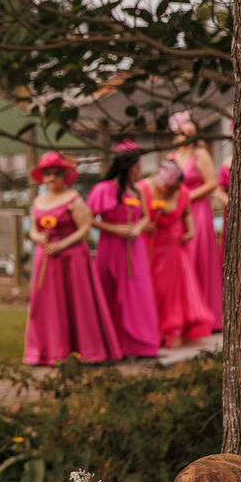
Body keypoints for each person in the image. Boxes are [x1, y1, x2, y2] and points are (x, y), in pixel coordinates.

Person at [23, 151, 122, 366]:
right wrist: (40, 238)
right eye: (48, 174)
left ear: (64, 176)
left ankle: (85, 350)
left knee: (76, 303)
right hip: (46, 257)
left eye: (56, 174)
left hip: (71, 257)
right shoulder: (39, 200)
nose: (52, 179)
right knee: (46, 304)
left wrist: (62, 244)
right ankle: (45, 351)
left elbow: (85, 227)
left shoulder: (73, 199)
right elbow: (32, 229)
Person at [86, 141, 158, 359]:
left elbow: (146, 216)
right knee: (110, 290)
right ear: (127, 166)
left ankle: (137, 343)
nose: (139, 171)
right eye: (137, 167)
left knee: (136, 291)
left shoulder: (136, 191)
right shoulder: (103, 189)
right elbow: (88, 219)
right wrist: (113, 229)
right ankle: (110, 343)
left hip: (133, 248)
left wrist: (137, 229)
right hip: (111, 246)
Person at [139, 160, 214, 347]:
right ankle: (149, 328)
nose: (171, 191)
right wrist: (143, 223)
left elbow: (187, 213)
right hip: (148, 246)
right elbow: (131, 213)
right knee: (150, 286)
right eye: (168, 187)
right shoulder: (142, 188)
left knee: (170, 290)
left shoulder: (183, 194)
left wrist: (190, 231)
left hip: (172, 247)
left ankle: (172, 329)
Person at [168, 111, 222, 331]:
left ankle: (208, 315)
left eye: (191, 132)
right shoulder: (172, 158)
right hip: (177, 212)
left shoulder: (200, 154)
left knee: (198, 254)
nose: (187, 136)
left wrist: (187, 197)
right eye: (183, 132)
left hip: (197, 208)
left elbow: (211, 183)